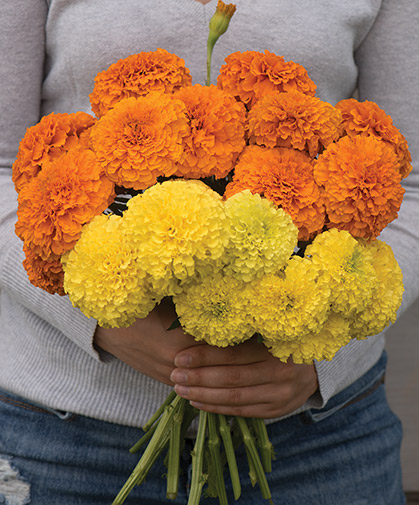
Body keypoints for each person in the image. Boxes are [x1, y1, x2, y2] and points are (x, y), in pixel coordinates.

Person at [0, 1, 418, 504]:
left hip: (318, 439)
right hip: (65, 442)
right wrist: (105, 320)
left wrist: (315, 353)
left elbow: (410, 188)